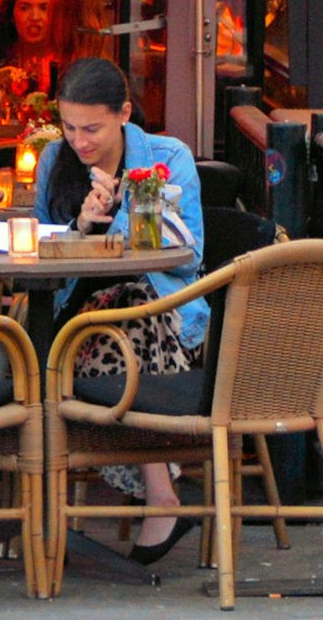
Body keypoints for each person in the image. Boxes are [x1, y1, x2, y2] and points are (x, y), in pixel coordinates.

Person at [38, 57, 203, 562]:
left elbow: (190, 251)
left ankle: (159, 496)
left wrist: (118, 221)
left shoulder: (167, 156)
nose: (79, 141)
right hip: (75, 319)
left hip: (165, 315)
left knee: (132, 304)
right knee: (122, 312)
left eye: (91, 128)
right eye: (68, 127)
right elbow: (45, 256)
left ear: (124, 113)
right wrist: (82, 227)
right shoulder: (53, 160)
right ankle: (162, 495)